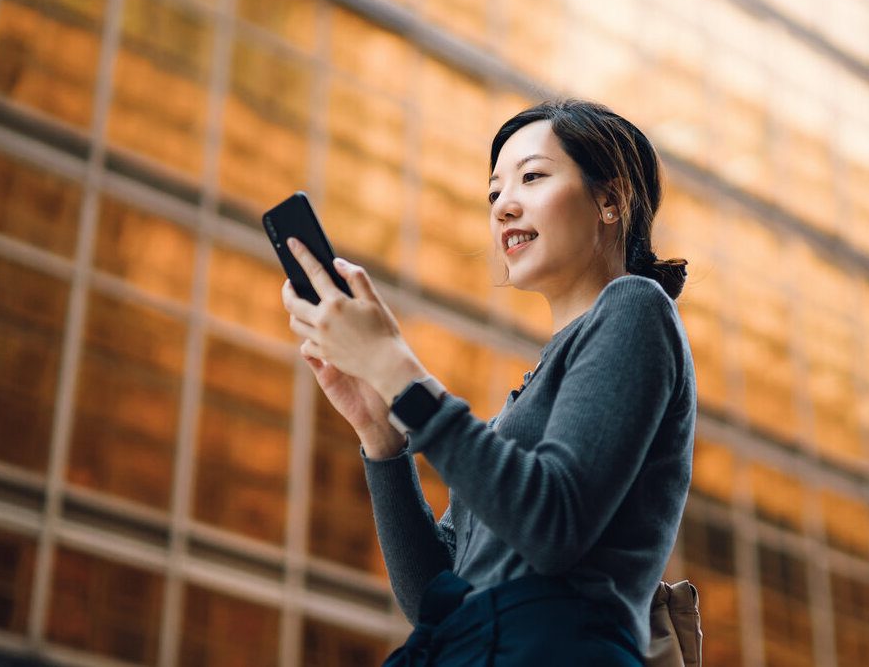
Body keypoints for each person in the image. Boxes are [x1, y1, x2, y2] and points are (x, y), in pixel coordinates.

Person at [280, 99, 697, 665]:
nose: (503, 207)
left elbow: (552, 525)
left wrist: (398, 371)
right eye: (494, 192)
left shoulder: (634, 306)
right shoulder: (517, 407)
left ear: (610, 199)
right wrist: (383, 438)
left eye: (532, 177)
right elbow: (437, 599)